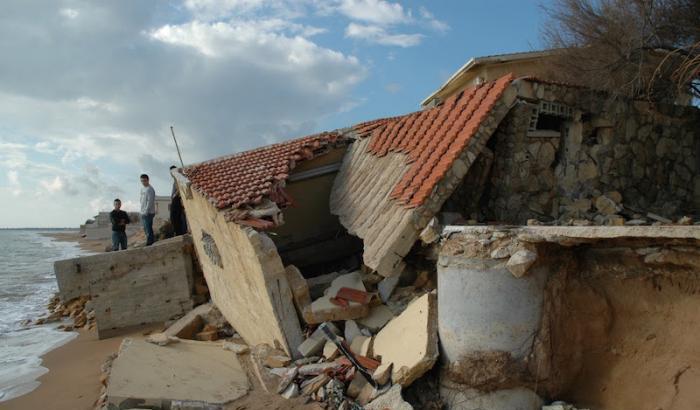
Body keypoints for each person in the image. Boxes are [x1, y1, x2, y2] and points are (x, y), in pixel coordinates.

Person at [169, 166, 188, 236]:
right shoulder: (174, 181)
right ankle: (178, 232)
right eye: (170, 172)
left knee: (176, 217)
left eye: (172, 171)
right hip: (175, 200)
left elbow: (181, 188)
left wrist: (175, 195)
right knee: (174, 218)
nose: (171, 173)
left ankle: (180, 233)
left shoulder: (179, 178)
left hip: (178, 200)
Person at [139, 173, 156, 246]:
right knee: (145, 228)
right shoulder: (142, 189)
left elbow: (150, 201)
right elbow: (141, 199)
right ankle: (149, 241)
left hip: (148, 212)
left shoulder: (150, 189)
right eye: (142, 181)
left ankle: (150, 242)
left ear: (148, 180)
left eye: (144, 181)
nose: (143, 182)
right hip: (143, 211)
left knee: (148, 228)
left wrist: (146, 211)